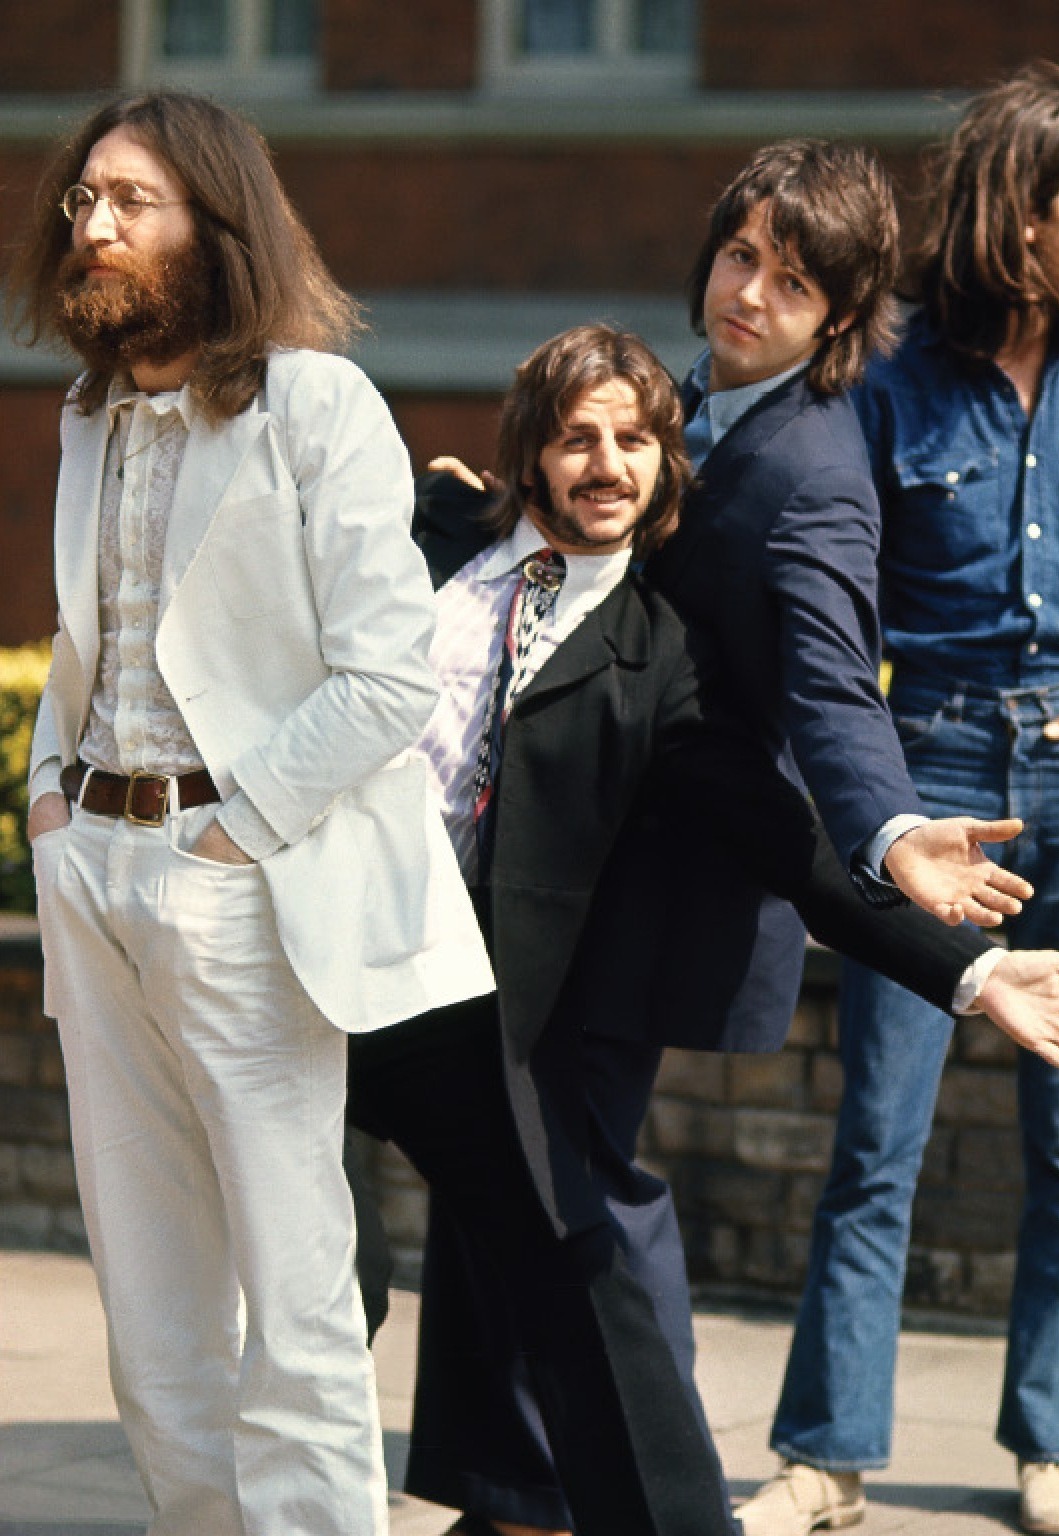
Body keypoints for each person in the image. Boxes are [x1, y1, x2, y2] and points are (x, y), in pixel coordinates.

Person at [355, 322, 1059, 1536]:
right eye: (575, 438)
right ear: (528, 453)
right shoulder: (426, 538)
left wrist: (972, 968)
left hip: (472, 1002)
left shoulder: (663, 660)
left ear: (669, 467)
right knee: (325, 1268)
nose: (605, 463)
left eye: (633, 441)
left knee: (576, 1262)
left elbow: (796, 848)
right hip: (312, 963)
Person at [12, 91, 494, 1536]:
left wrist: (237, 829)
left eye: (129, 202)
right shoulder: (90, 414)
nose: (90, 225)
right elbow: (89, 640)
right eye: (82, 199)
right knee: (149, 1292)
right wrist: (50, 800)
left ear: (214, 224)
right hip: (92, 868)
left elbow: (390, 667)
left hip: (237, 877)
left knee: (293, 1291)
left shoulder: (317, 402)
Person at [750, 64, 1059, 1536]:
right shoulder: (888, 377)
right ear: (1024, 213)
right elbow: (828, 588)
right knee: (881, 1127)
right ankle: (826, 1454)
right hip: (927, 777)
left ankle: (1058, 1442)